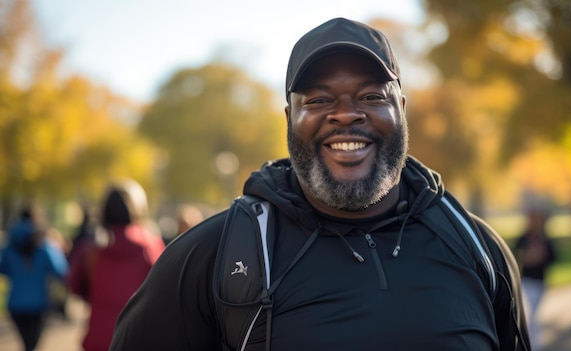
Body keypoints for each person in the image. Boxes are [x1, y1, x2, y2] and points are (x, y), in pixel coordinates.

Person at [110, 18, 529, 350]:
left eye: (370, 96)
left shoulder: (478, 249)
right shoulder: (210, 258)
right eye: (318, 100)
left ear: (401, 108)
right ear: (289, 118)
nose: (346, 114)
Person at [67, 179, 165, 351]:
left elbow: (74, 285)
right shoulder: (149, 245)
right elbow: (163, 289)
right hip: (138, 336)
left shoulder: (91, 248)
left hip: (98, 337)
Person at [0, 204, 69, 351]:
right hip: (39, 303)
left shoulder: (10, 244)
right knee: (32, 345)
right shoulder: (43, 244)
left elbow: (3, 269)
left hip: (15, 303)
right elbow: (60, 270)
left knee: (27, 343)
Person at [514, 210, 556, 350]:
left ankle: (533, 342)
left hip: (540, 281)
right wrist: (527, 258)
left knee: (535, 313)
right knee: (528, 312)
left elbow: (553, 258)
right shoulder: (524, 238)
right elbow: (515, 255)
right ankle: (530, 343)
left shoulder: (544, 239)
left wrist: (540, 256)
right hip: (526, 280)